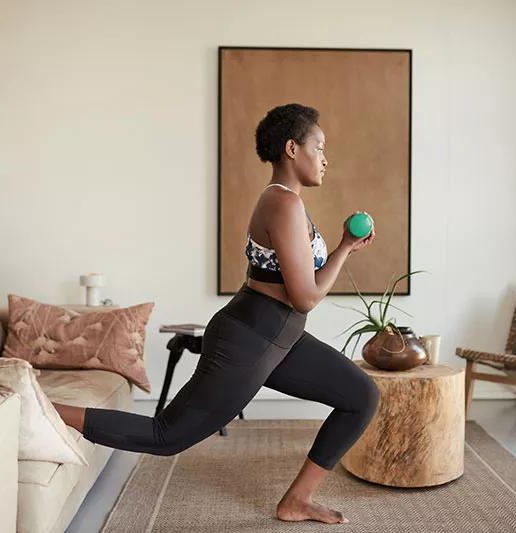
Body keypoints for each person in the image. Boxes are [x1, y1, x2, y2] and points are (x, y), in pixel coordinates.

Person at [53, 103, 379, 525]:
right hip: (252, 338)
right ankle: (44, 409)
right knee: (166, 436)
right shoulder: (282, 204)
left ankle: (296, 501)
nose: (325, 158)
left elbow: (302, 285)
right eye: (320, 147)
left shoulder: (290, 203)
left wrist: (345, 248)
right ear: (292, 149)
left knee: (360, 395)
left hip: (279, 337)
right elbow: (305, 298)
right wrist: (342, 251)